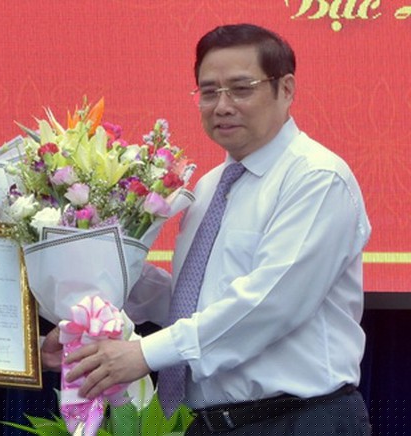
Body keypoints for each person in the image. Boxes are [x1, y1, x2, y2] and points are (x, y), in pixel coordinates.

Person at [45, 23, 372, 435]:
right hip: (209, 424)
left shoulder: (317, 178)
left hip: (298, 420)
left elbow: (269, 305)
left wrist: (144, 353)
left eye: (241, 89)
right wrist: (101, 292)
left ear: (286, 89)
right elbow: (196, 302)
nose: (222, 106)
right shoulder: (208, 187)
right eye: (209, 91)